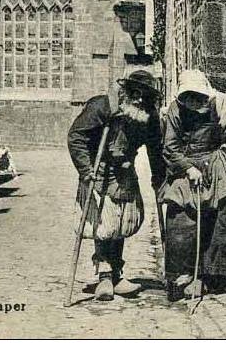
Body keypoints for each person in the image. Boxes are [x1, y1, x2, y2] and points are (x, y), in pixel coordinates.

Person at [160, 69, 226, 301]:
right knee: (181, 217)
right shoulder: (174, 113)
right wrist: (188, 168)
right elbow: (169, 148)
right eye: (189, 97)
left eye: (198, 96)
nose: (195, 102)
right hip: (186, 165)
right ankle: (184, 276)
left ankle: (222, 275)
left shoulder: (219, 104)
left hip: (215, 163)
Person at [67, 69, 165, 302]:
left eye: (146, 95)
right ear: (125, 91)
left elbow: (155, 150)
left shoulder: (148, 117)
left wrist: (159, 179)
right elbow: (76, 136)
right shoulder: (102, 107)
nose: (140, 99)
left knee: (120, 222)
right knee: (104, 222)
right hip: (98, 169)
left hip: (124, 171)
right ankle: (104, 275)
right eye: (135, 92)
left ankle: (117, 274)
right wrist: (85, 170)